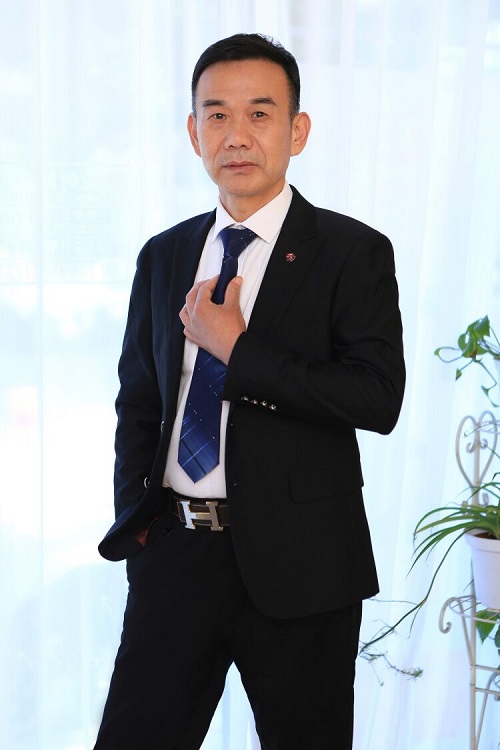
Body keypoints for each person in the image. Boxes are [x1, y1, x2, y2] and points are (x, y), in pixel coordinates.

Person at [94, 32, 405, 750]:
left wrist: (238, 350)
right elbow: (138, 401)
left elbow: (375, 398)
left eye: (260, 114)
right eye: (217, 115)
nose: (236, 135)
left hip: (304, 568)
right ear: (193, 132)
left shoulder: (352, 251)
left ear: (297, 131)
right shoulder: (165, 253)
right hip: (175, 556)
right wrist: (140, 522)